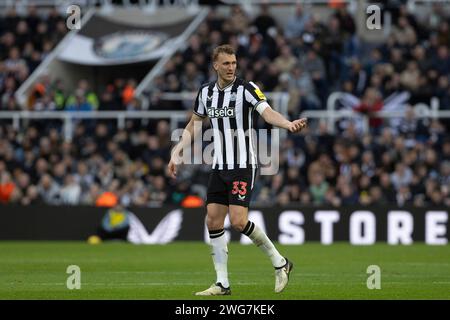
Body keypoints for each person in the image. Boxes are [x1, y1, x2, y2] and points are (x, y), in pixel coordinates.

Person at [167, 45, 308, 296]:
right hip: (219, 165)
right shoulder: (206, 93)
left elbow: (267, 113)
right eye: (226, 64)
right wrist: (178, 151)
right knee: (212, 219)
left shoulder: (246, 88)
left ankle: (280, 262)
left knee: (239, 221)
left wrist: (287, 124)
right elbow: (195, 123)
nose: (231, 67)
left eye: (234, 63)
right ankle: (222, 283)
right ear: (215, 66)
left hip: (243, 165)